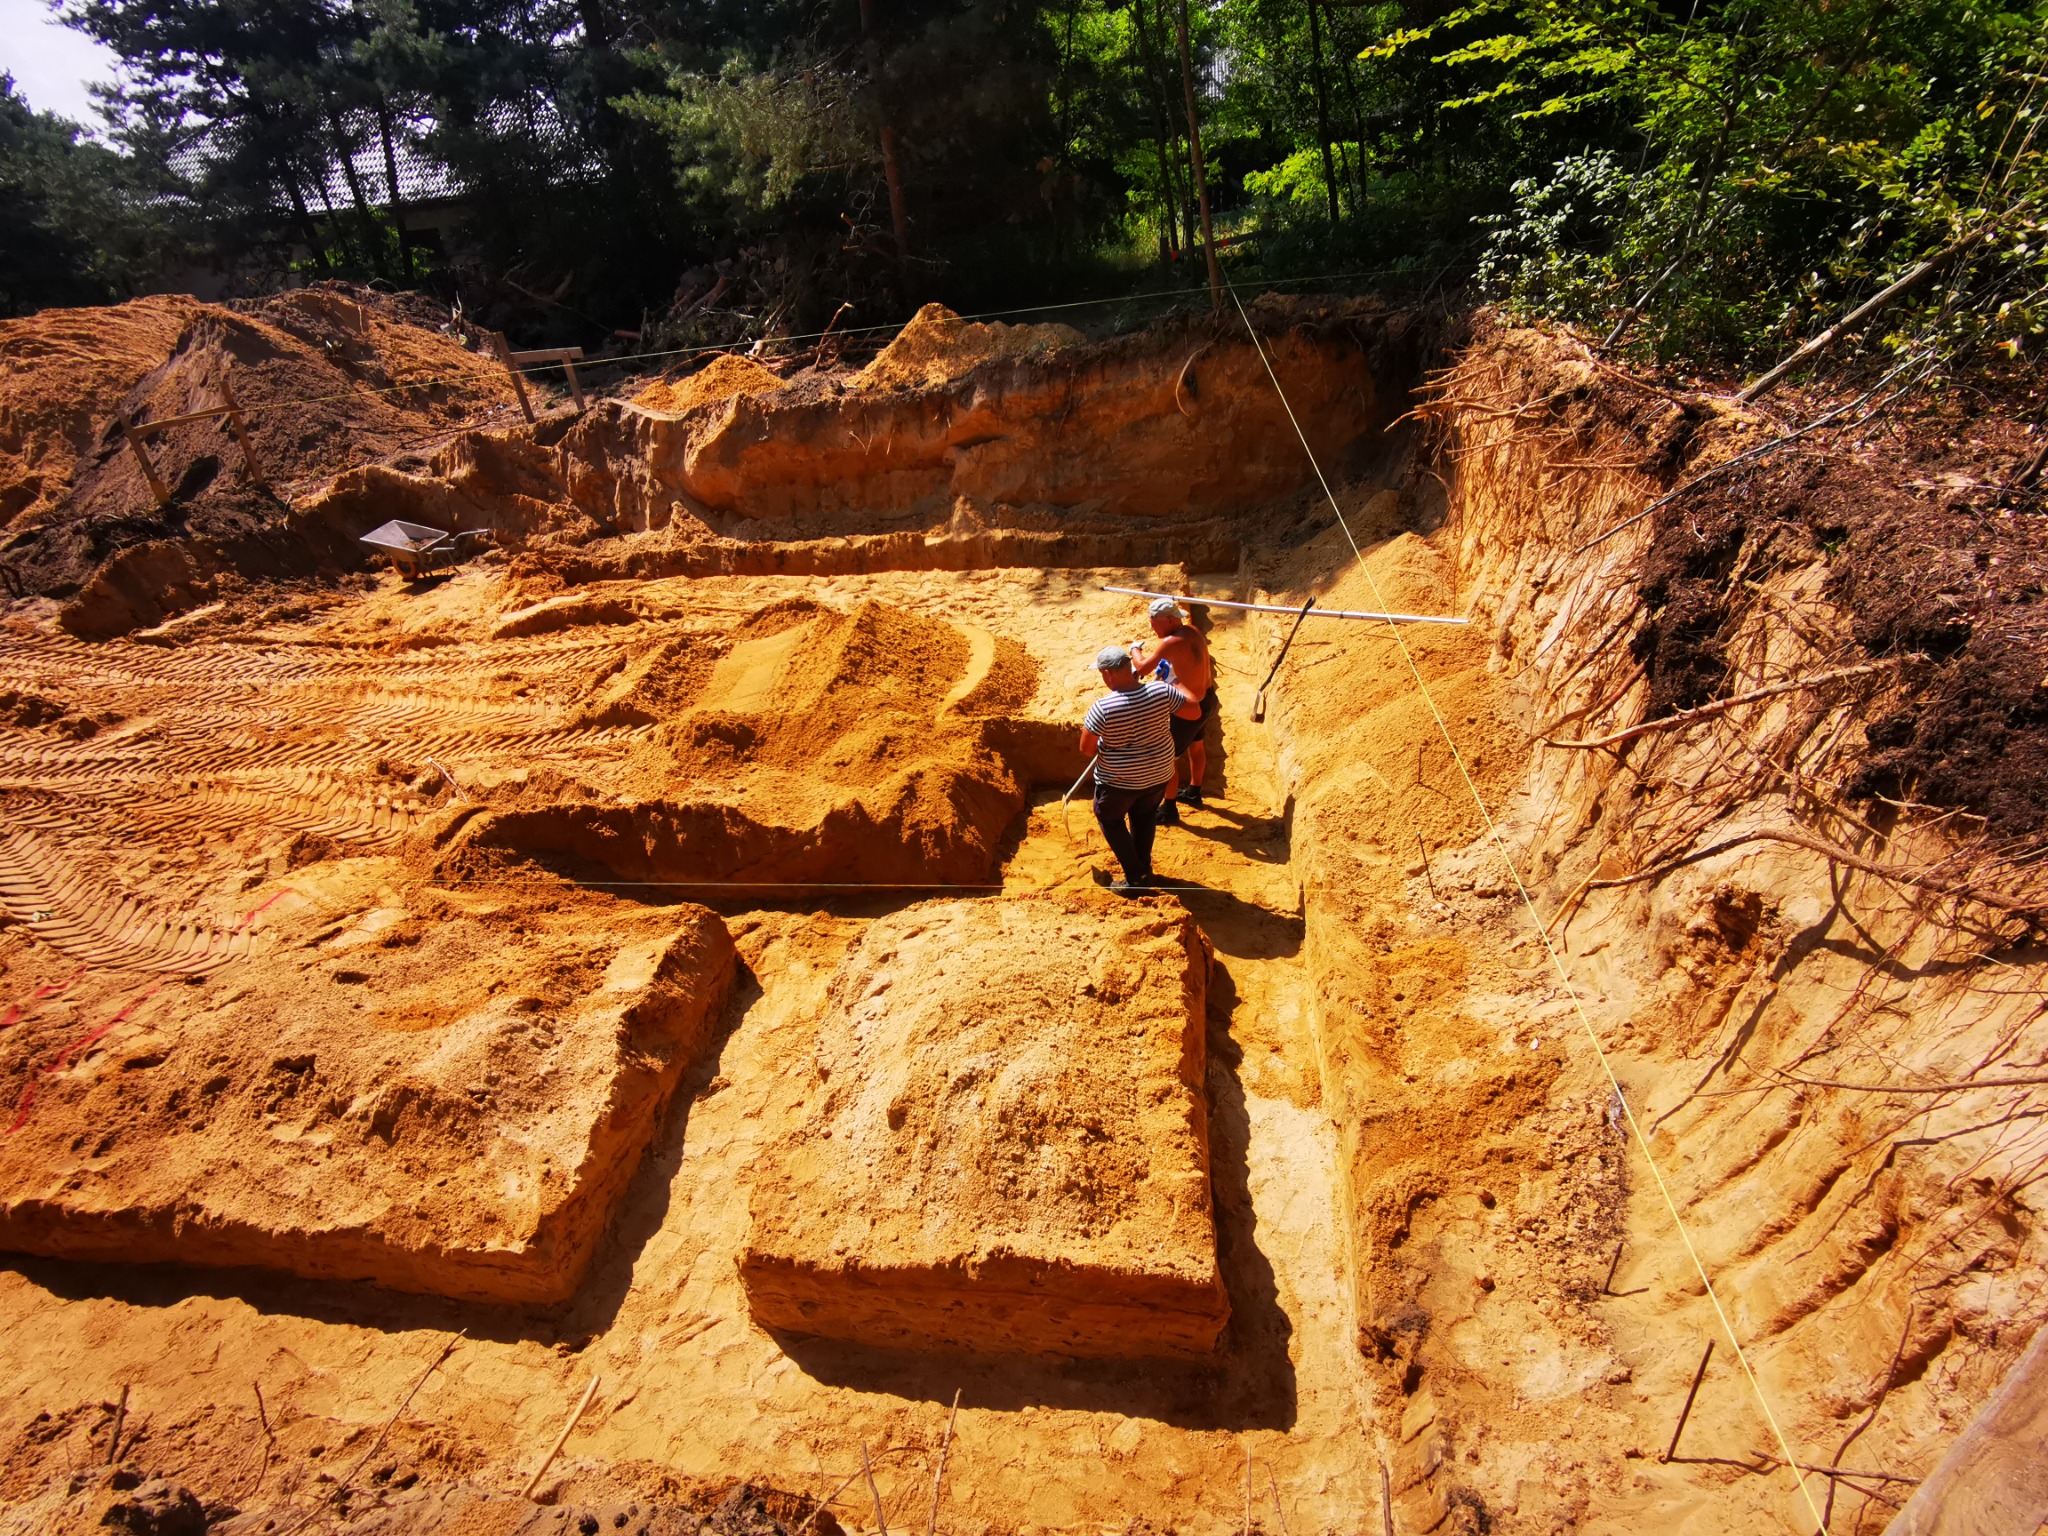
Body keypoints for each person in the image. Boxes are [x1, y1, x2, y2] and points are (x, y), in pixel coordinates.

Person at [1080, 643, 1179, 894]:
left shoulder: (1103, 708)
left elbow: (1087, 749)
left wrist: (1109, 742)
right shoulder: (1161, 690)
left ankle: (1136, 878)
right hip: (1159, 774)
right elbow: (1191, 709)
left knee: (1110, 819)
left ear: (1108, 673)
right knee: (1144, 816)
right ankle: (1144, 868)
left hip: (1119, 782)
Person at [1129, 597, 1217, 825]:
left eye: (1154, 622)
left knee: (1167, 758)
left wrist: (1135, 650)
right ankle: (1194, 791)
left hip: (1187, 711)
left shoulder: (1170, 642)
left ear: (1169, 620)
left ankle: (1169, 809)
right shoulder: (1193, 631)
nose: (1151, 627)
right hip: (1206, 700)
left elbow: (1142, 668)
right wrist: (1171, 676)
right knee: (1196, 746)